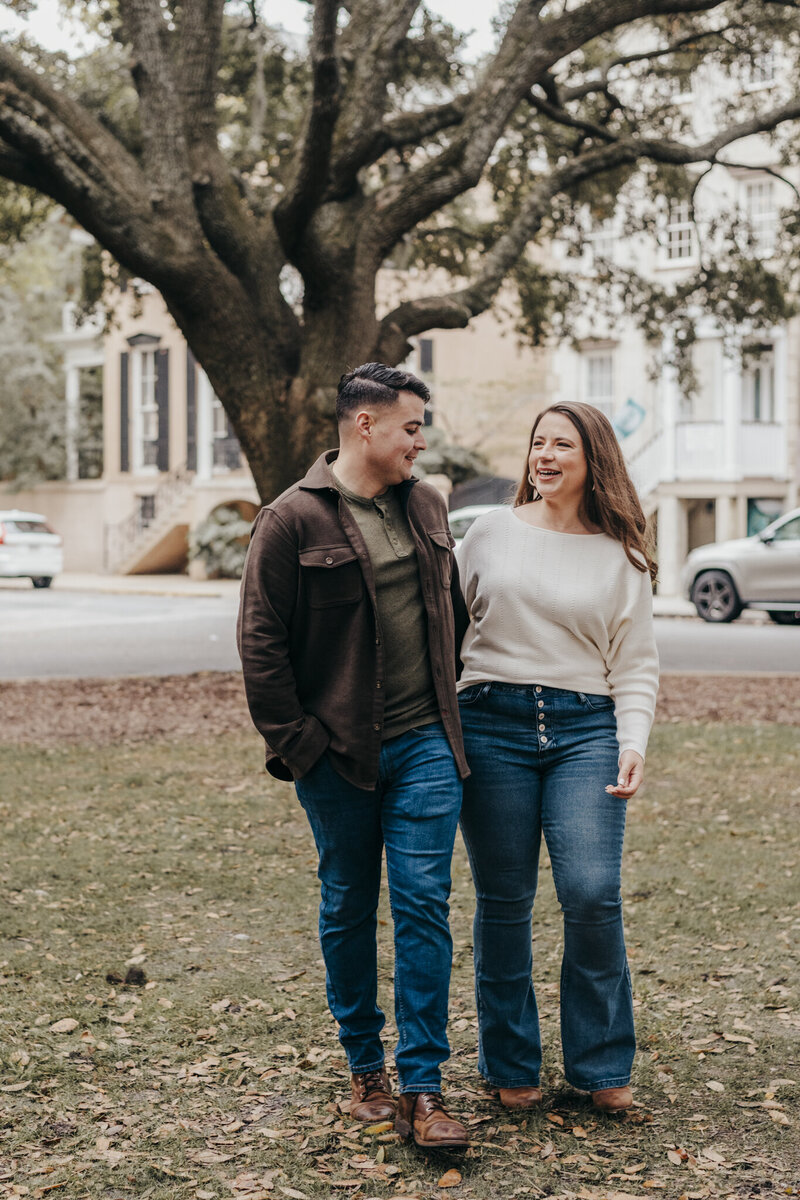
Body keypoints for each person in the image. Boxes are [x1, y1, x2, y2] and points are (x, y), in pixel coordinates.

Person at [237, 362, 470, 1149]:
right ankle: (364, 1064)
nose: (421, 440)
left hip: (426, 746)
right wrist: (302, 748)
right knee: (347, 904)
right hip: (336, 756)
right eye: (411, 426)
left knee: (423, 904)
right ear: (364, 425)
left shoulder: (427, 503)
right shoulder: (290, 520)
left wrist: (451, 710)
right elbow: (260, 648)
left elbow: (455, 613)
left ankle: (425, 1087)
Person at [456, 401, 659, 1115]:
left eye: (561, 445)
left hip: (585, 731)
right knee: (504, 903)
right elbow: (448, 633)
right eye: (537, 443)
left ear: (591, 458)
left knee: (592, 892)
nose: (544, 455)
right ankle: (510, 1062)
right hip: (491, 726)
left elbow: (634, 665)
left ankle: (602, 1066)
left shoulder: (620, 553)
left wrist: (631, 741)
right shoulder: (486, 533)